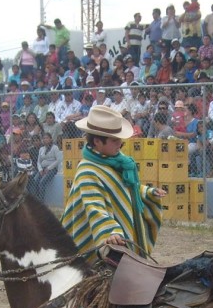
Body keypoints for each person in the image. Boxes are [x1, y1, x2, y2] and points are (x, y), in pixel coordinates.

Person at [61, 106, 166, 262]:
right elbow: (94, 206)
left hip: (116, 231)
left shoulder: (116, 161)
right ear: (97, 141)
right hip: (95, 237)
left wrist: (147, 192)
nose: (120, 144)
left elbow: (124, 186)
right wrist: (109, 231)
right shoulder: (87, 170)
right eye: (115, 140)